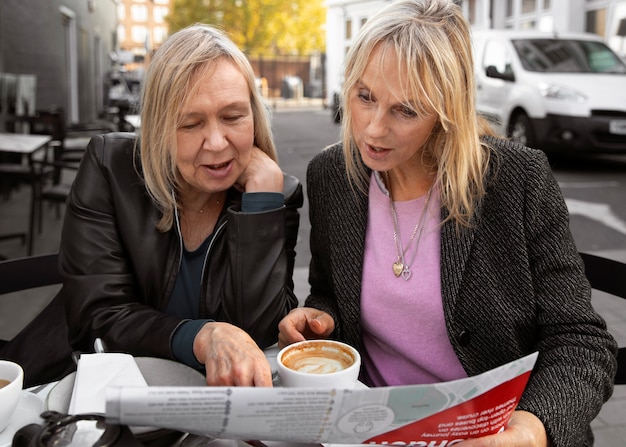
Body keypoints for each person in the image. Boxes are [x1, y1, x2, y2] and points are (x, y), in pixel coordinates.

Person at [277, 0, 617, 445]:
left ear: (446, 111)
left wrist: (530, 433)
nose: (373, 130)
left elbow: (581, 342)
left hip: (493, 431)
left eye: (406, 110)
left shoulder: (516, 180)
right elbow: (329, 291)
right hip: (373, 425)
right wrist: (320, 317)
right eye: (365, 97)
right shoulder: (334, 175)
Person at [57, 24, 303, 387]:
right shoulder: (110, 168)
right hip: (111, 395)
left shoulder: (274, 195)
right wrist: (201, 337)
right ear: (158, 127)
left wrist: (262, 203)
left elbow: (259, 332)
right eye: (190, 124)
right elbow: (96, 318)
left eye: (233, 117)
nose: (217, 143)